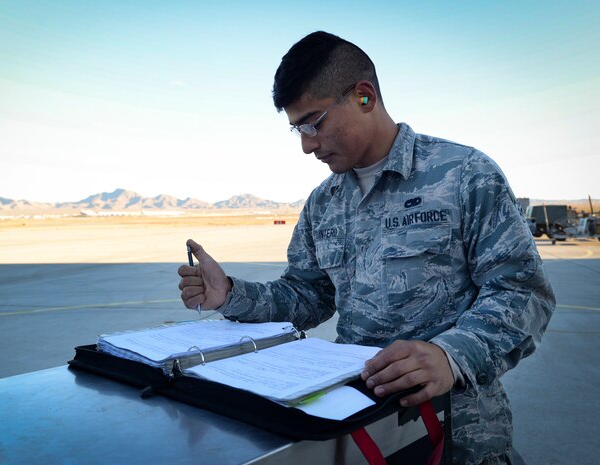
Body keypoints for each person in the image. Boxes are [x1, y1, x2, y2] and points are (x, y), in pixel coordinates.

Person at [177, 31, 555, 465]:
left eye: (314, 122)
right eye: (297, 129)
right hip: (360, 429)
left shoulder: (465, 175)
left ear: (363, 97)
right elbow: (308, 296)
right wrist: (229, 293)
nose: (306, 144)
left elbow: (522, 292)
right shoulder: (324, 202)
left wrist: (451, 355)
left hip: (459, 434)